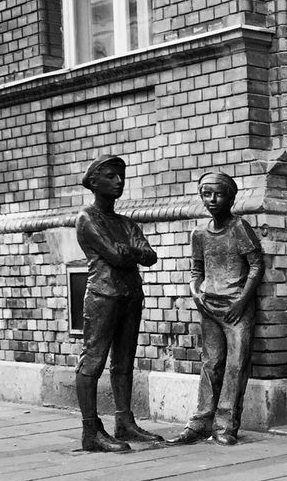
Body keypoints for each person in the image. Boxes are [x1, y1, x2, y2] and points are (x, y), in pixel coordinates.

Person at [167, 171, 265, 446]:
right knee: (211, 364)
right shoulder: (200, 233)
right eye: (206, 194)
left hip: (236, 308)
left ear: (231, 197)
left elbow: (257, 265)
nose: (212, 199)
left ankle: (225, 426)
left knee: (236, 366)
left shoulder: (239, 228)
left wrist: (242, 302)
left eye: (218, 194)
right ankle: (200, 423)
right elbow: (196, 270)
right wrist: (196, 292)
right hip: (209, 306)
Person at [75, 155, 162, 452]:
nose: (119, 182)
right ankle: (90, 431)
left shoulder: (126, 222)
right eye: (111, 176)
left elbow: (149, 256)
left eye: (121, 177)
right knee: (93, 361)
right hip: (103, 296)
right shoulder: (87, 217)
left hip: (130, 295)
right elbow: (115, 255)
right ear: (94, 182)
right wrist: (131, 251)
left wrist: (132, 252)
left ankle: (124, 421)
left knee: (124, 362)